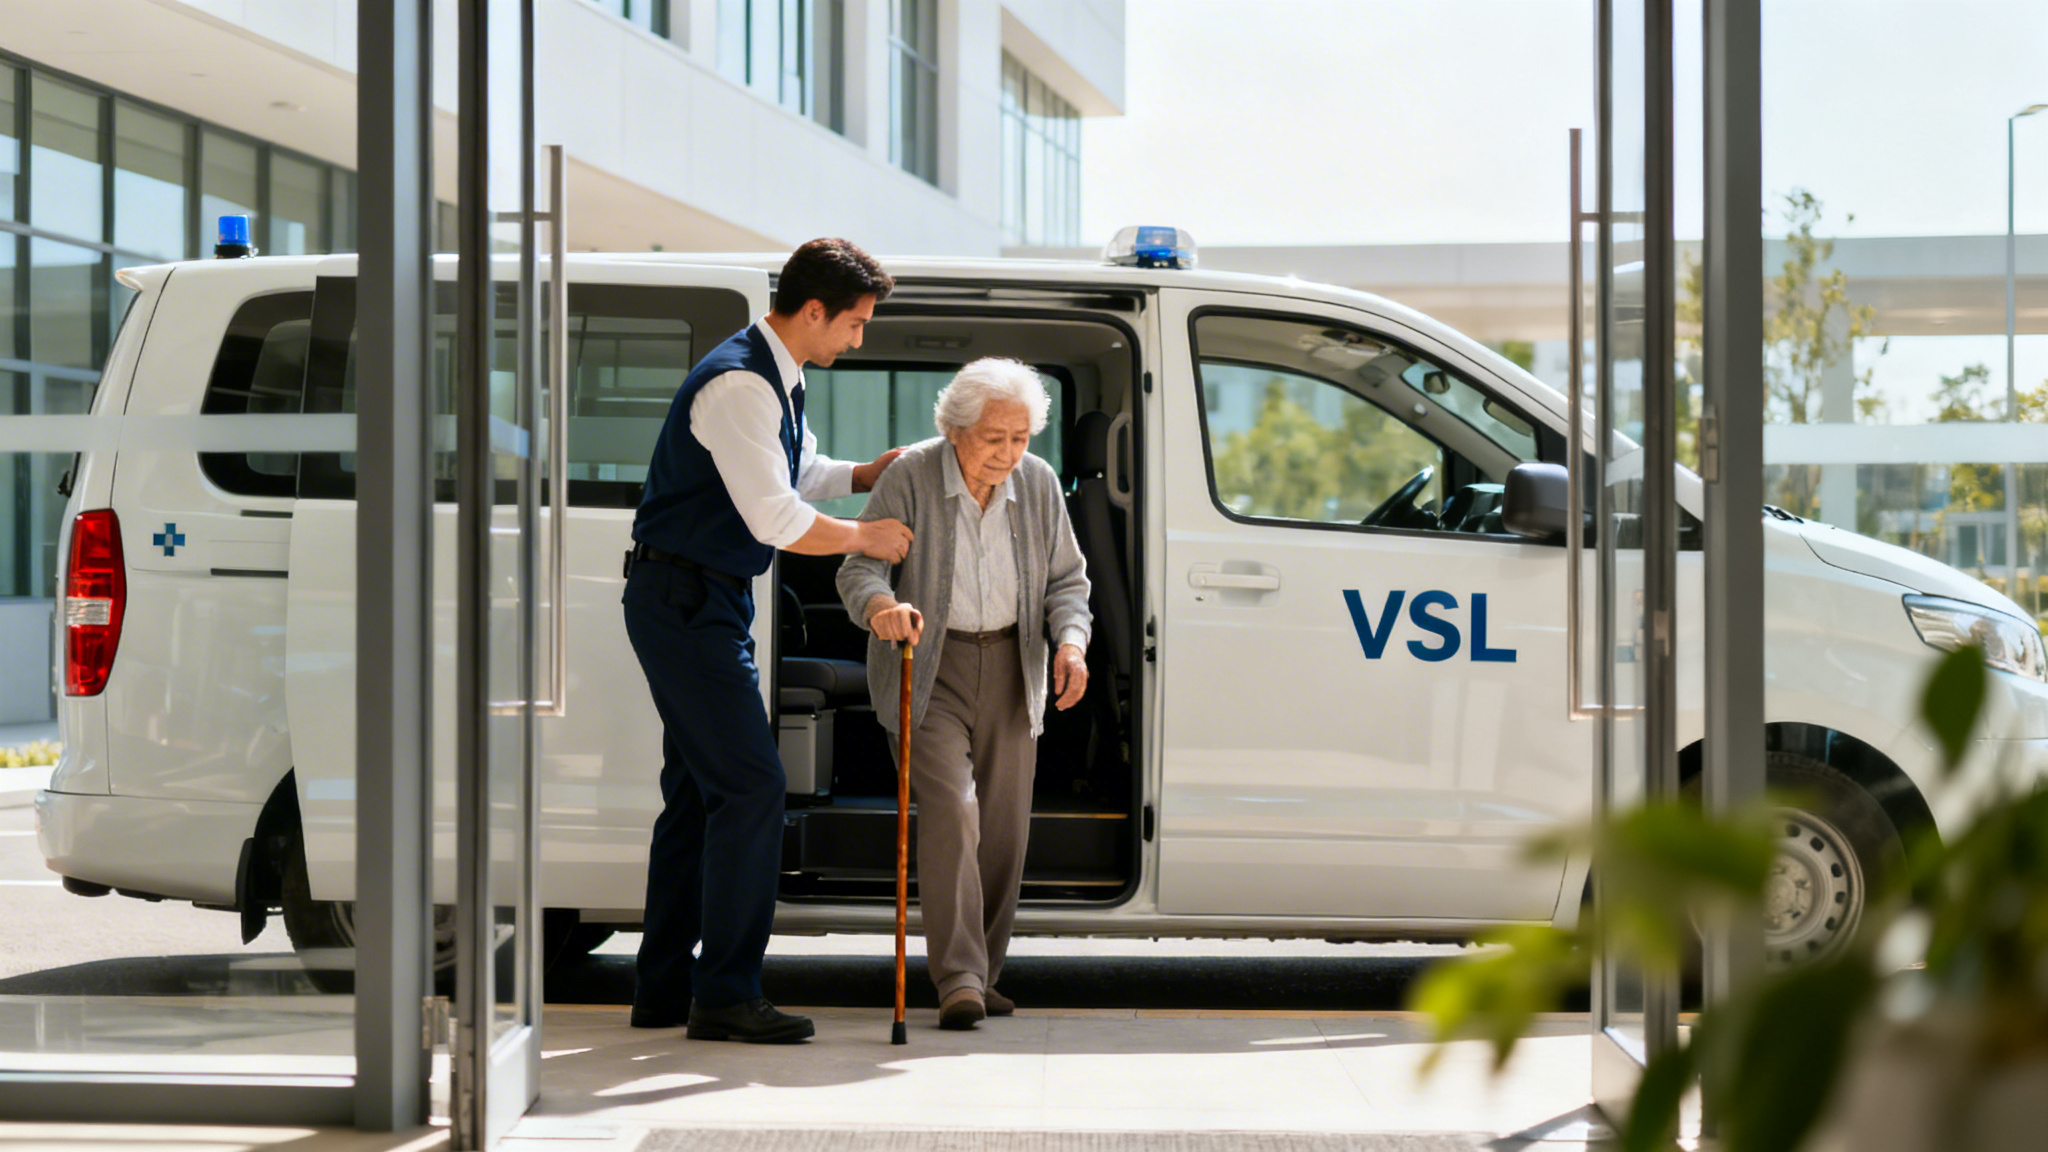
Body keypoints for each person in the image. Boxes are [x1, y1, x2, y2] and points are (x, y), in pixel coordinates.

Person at [624, 238, 911, 1043]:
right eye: (854, 324)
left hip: (702, 599)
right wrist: (868, 536)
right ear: (812, 310)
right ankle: (725, 993)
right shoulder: (742, 383)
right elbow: (776, 518)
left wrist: (862, 474)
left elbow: (797, 471)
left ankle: (664, 988)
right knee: (751, 789)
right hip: (686, 602)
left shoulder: (775, 375)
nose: (859, 340)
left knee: (696, 795)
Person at [836, 357, 1092, 1031]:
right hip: (930, 665)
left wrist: (1070, 641)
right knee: (954, 808)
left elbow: (1069, 581)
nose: (1008, 454)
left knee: (1004, 831)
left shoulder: (1036, 484)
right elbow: (860, 565)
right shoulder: (911, 475)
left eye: (1021, 438)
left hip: (1013, 663)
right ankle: (959, 978)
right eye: (993, 439)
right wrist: (881, 606)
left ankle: (987, 970)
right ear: (955, 430)